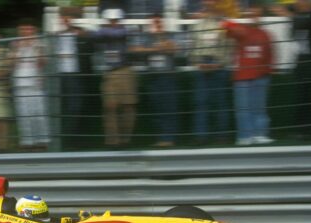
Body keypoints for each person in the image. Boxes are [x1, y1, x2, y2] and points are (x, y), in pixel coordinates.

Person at [223, 1, 275, 146]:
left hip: (261, 76)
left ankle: (260, 134)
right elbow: (226, 26)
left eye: (257, 12)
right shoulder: (240, 29)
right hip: (242, 77)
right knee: (243, 109)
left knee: (259, 108)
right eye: (251, 11)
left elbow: (270, 55)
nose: (254, 15)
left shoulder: (265, 34)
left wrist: (267, 73)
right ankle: (244, 136)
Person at [271, 0, 311, 139]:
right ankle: (300, 130)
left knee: (309, 97)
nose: (298, 3)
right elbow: (292, 33)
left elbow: (305, 23)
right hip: (300, 62)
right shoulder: (298, 16)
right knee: (300, 97)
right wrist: (291, 13)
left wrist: (290, 14)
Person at [131, 13, 179, 147]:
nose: (157, 25)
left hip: (167, 76)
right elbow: (135, 49)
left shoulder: (170, 35)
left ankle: (169, 138)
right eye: (154, 22)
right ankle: (160, 138)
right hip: (152, 77)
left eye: (159, 22)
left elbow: (174, 48)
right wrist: (154, 48)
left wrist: (162, 45)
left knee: (169, 108)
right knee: (156, 108)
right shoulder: (146, 38)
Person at [91, 8, 138, 147]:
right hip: (109, 72)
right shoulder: (103, 33)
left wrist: (107, 31)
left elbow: (122, 33)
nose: (113, 23)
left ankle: (125, 139)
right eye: (110, 21)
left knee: (128, 106)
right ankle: (112, 141)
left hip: (125, 70)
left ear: (120, 21)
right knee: (110, 106)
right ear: (106, 21)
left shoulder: (125, 31)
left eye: (115, 20)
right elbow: (95, 35)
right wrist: (106, 32)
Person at [189, 0, 233, 145]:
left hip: (219, 66)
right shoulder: (198, 24)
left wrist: (220, 64)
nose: (208, 4)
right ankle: (201, 136)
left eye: (211, 2)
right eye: (206, 2)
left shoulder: (224, 24)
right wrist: (197, 62)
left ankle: (222, 135)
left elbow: (229, 47)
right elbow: (193, 47)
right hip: (202, 66)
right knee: (201, 103)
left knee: (221, 102)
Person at [10, 20, 50, 150]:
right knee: (23, 113)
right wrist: (17, 49)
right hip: (20, 81)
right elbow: (11, 63)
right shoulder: (14, 44)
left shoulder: (40, 43)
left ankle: (42, 140)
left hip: (35, 82)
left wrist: (37, 48)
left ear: (34, 31)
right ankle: (27, 141)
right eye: (23, 30)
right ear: (19, 31)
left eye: (29, 29)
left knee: (38, 111)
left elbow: (43, 63)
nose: (26, 32)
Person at [54, 12, 91, 149]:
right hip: (58, 76)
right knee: (59, 108)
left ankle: (72, 140)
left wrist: (82, 34)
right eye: (62, 18)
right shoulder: (53, 35)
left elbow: (90, 44)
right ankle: (61, 140)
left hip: (76, 76)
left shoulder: (80, 33)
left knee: (75, 108)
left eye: (67, 18)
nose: (65, 20)